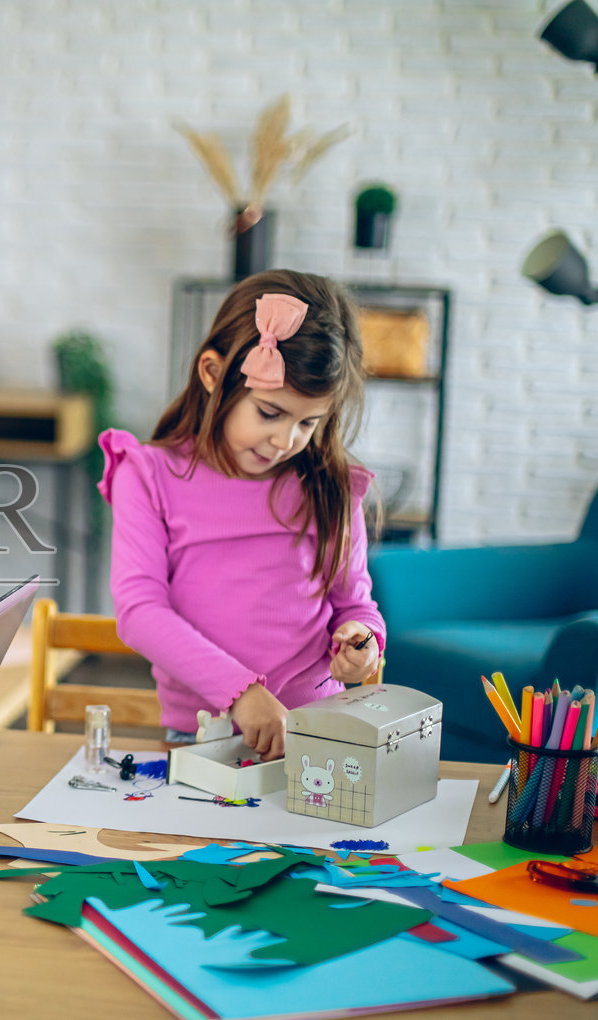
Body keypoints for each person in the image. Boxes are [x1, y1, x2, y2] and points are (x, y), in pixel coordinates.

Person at [100, 269, 385, 762]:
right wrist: (241, 693)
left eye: (308, 423)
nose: (286, 441)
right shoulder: (147, 475)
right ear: (212, 374)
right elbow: (139, 611)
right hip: (200, 737)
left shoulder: (330, 486)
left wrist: (362, 644)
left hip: (314, 734)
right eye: (270, 414)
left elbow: (354, 604)